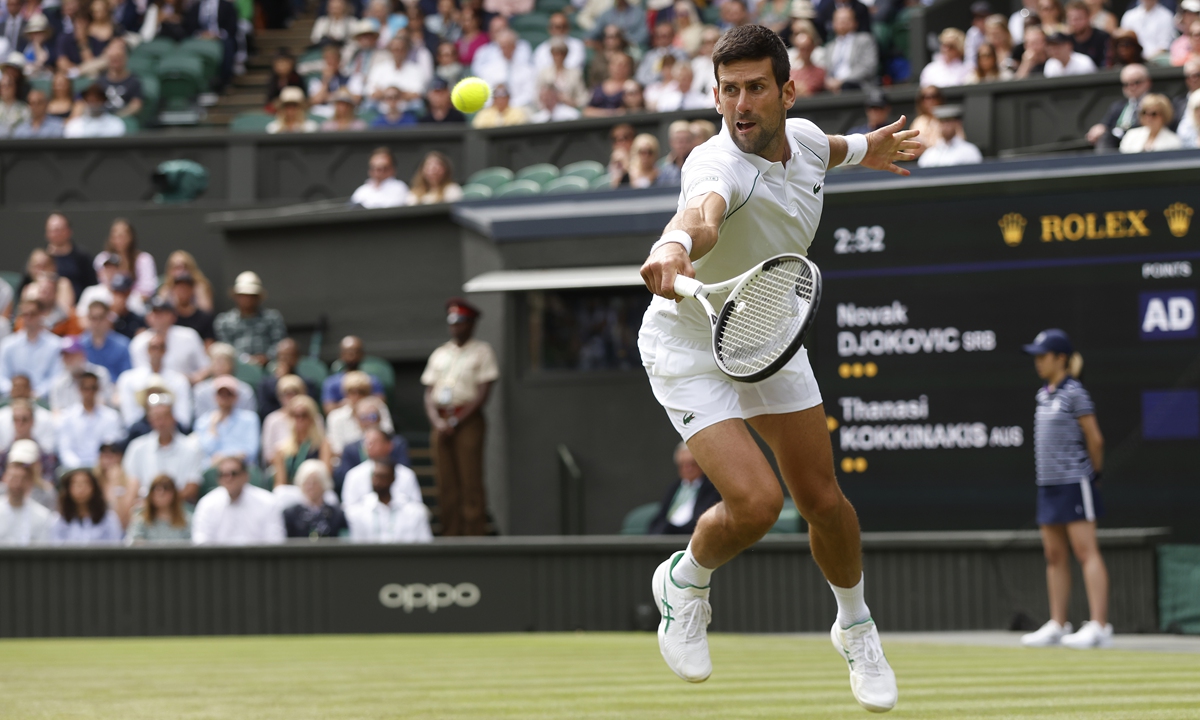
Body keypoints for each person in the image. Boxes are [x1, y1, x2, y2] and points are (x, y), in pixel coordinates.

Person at [636, 24, 912, 705]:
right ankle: (686, 580)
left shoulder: (810, 139)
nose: (741, 105)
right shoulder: (715, 165)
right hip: (690, 348)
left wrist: (870, 150)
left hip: (764, 330)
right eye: (728, 91)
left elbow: (836, 150)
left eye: (756, 88)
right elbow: (701, 215)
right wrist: (674, 245)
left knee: (825, 502)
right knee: (757, 505)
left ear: (787, 91)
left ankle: (856, 627)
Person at [1018, 330, 1112, 649]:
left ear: (1061, 358)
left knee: (1086, 552)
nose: (1038, 363)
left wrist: (1092, 473)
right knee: (1054, 556)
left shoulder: (1076, 393)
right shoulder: (1042, 394)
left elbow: (1095, 439)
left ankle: (1099, 626)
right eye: (1036, 357)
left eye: (1043, 356)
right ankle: (1058, 623)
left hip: (1075, 482)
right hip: (1048, 484)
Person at [422, 298, 498, 537]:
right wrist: (437, 421)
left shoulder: (482, 351)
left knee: (470, 480)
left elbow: (483, 392)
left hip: (467, 420)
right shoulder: (440, 353)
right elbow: (428, 392)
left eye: (461, 322)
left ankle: (474, 533)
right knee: (446, 482)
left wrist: (457, 421)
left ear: (472, 324)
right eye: (453, 323)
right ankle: (450, 532)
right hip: (441, 420)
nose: (456, 327)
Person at [192, 455, 285, 545]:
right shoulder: (207, 504)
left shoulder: (267, 502)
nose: (228, 479)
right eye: (223, 475)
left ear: (246, 476)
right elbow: (201, 543)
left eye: (233, 474)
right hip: (218, 560)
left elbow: (275, 542)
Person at [122, 399, 202, 501]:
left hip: (180, 509)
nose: (161, 421)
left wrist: (165, 504)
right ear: (150, 420)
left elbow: (192, 487)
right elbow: (131, 485)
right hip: (145, 508)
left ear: (173, 417)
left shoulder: (192, 448)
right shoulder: (136, 447)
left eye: (165, 416)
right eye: (156, 417)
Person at [332, 396, 408, 494]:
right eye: (363, 418)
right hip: (360, 495)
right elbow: (343, 480)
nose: (368, 421)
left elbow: (403, 473)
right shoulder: (350, 449)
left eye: (372, 416)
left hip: (394, 492)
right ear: (357, 421)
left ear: (380, 418)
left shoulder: (397, 443)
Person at [345, 458, 432, 542]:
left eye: (382, 477)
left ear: (393, 478)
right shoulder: (359, 512)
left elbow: (425, 543)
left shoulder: (414, 512)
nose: (377, 482)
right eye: (375, 476)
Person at [116, 339, 192, 430]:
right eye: (153, 348)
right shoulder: (128, 379)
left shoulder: (179, 380)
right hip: (141, 431)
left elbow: (183, 418)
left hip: (172, 430)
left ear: (165, 351)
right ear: (147, 351)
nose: (156, 352)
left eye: (160, 348)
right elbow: (129, 418)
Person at [214, 271, 287, 367]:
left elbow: (279, 344)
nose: (247, 299)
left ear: (258, 297)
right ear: (236, 296)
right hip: (236, 369)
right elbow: (226, 348)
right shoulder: (224, 321)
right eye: (243, 295)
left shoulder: (272, 318)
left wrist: (267, 357)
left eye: (251, 295)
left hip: (269, 367)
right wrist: (245, 360)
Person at [647, 443, 722, 535]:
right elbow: (661, 517)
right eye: (683, 465)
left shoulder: (711, 488)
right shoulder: (674, 488)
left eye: (692, 464)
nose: (687, 469)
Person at [55, 371, 123, 469]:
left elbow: (110, 447)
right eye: (86, 388)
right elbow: (65, 450)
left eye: (93, 388)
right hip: (74, 470)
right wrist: (80, 468)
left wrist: (98, 468)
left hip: (103, 469)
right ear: (79, 389)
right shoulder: (67, 418)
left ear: (98, 389)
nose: (89, 393)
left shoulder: (111, 417)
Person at [129, 297, 208, 380]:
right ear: (148, 317)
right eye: (155, 312)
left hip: (185, 387)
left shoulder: (189, 335)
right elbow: (139, 374)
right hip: (151, 388)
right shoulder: (138, 341)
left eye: (162, 312)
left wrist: (192, 379)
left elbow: (205, 366)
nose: (157, 317)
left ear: (173, 316)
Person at [195, 375, 260, 468]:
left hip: (241, 467)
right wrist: (213, 427)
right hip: (213, 469)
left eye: (228, 394)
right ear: (215, 397)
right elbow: (204, 451)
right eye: (220, 394)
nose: (224, 398)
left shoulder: (250, 419)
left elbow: (250, 451)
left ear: (235, 397)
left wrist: (224, 458)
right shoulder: (203, 422)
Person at [0, 300, 62, 399]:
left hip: (44, 402)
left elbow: (56, 377)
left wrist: (37, 393)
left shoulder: (55, 345)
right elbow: (2, 376)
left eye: (32, 314)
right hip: (12, 400)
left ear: (41, 315)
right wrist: (15, 390)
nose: (28, 318)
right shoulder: (8, 345)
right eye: (25, 314)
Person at [50, 467, 123, 544]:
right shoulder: (59, 520)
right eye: (75, 484)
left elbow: (115, 544)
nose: (81, 489)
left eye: (85, 483)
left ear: (94, 487)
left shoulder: (109, 518)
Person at [1087, 62, 1151, 149]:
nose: (1131, 87)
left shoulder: (1155, 103)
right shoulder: (1118, 106)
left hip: (1140, 142)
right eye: (1126, 84)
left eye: (1136, 82)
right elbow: (1105, 124)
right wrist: (1099, 128)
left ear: (1147, 82)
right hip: (1116, 144)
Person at [272, 395, 332, 486]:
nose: (299, 419)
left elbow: (326, 476)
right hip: (292, 492)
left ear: (311, 417)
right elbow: (280, 483)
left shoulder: (323, 445)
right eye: (295, 415)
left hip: (315, 491)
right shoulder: (281, 449)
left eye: (304, 415)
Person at [94, 218, 156, 303]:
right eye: (114, 236)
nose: (118, 240)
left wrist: (128, 301)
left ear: (130, 237)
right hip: (109, 303)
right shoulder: (102, 259)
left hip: (136, 304)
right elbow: (103, 285)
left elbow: (147, 289)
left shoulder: (144, 259)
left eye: (121, 236)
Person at [283, 459, 348, 538]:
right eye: (307, 483)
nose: (311, 487)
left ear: (324, 484)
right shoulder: (291, 514)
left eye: (315, 482)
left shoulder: (336, 514)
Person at [48, 334, 113, 414]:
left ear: (82, 355)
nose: (68, 360)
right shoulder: (58, 383)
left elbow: (104, 404)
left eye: (72, 355)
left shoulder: (99, 374)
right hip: (70, 425)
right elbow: (56, 413)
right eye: (65, 356)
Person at [321, 335, 385, 413]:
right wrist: (347, 405)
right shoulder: (331, 383)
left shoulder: (372, 381)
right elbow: (329, 410)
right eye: (348, 352)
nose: (352, 356)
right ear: (341, 355)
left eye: (356, 352)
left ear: (362, 354)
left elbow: (381, 406)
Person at [43, 212, 96, 302]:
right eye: (52, 230)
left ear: (69, 231)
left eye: (60, 229)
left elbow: (92, 285)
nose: (56, 233)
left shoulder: (82, 256)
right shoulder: (41, 258)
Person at [823, 7, 877, 92]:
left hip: (857, 87)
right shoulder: (829, 46)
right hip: (832, 90)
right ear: (833, 23)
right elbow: (825, 70)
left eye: (846, 19)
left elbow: (868, 67)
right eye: (839, 20)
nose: (842, 22)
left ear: (855, 23)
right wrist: (830, 82)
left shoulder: (865, 40)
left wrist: (842, 81)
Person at [126, 473, 191, 543]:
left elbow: (191, 544)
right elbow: (134, 542)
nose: (160, 493)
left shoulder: (186, 520)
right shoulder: (141, 519)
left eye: (166, 488)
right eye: (155, 488)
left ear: (174, 493)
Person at [0, 461, 52, 545]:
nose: (17, 484)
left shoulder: (42, 516)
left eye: (22, 479)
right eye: (14, 478)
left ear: (30, 482)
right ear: (5, 479)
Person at [0, 379, 56, 454]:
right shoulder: (1, 416)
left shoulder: (47, 417)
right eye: (16, 420)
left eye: (24, 419)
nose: (20, 391)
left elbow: (50, 452)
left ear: (32, 421)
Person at [916, 104, 983, 167]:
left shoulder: (970, 151)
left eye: (948, 121)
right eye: (941, 122)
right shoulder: (929, 155)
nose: (945, 125)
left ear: (957, 123)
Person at [93, 38, 141, 119]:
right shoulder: (99, 81)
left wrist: (118, 117)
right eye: (112, 58)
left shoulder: (134, 81)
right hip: (102, 120)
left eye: (118, 57)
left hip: (123, 119)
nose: (115, 61)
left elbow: (136, 105)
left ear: (125, 58)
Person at [166, 272, 214, 342]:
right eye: (179, 288)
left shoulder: (204, 318)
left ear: (192, 290)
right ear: (173, 290)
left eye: (186, 287)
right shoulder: (167, 317)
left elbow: (209, 342)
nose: (182, 291)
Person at [787, 19, 826, 97]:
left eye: (806, 48)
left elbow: (811, 88)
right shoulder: (789, 57)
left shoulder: (819, 67)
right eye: (795, 33)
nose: (804, 52)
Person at [1068, 0, 1110, 68]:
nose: (1074, 23)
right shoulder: (1066, 41)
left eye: (1079, 19)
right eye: (1071, 19)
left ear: (1089, 17)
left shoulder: (1103, 38)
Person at [655, 120, 695, 187]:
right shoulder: (662, 166)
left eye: (686, 140)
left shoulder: (699, 163)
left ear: (692, 141)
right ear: (671, 142)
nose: (682, 145)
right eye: (679, 140)